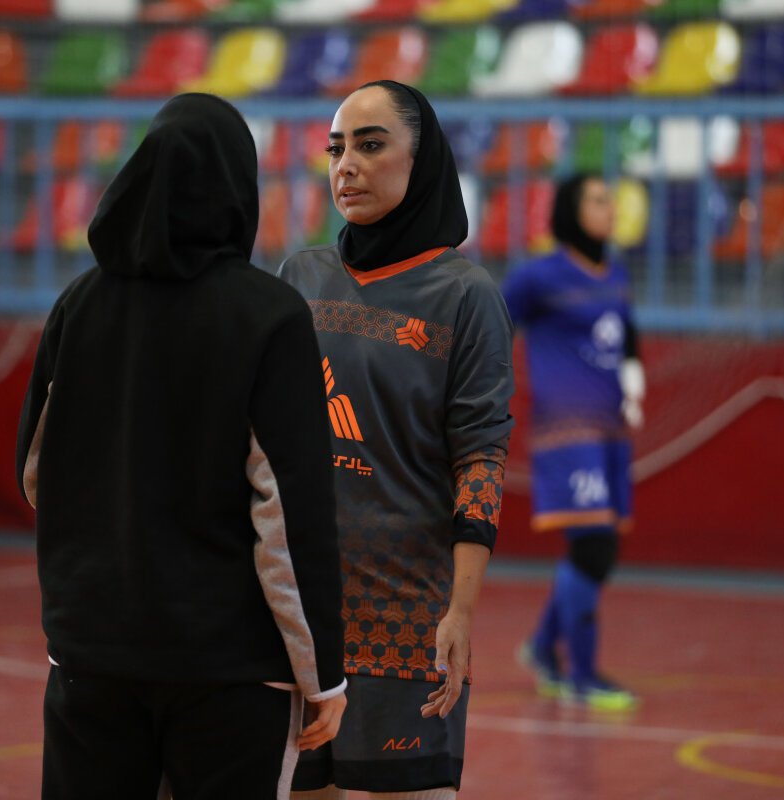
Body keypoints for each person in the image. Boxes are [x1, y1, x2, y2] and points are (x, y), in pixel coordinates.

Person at [15, 93, 347, 800]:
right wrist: (324, 675)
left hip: (91, 656)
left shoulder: (78, 303)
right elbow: (289, 516)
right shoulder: (269, 315)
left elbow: (36, 474)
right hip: (230, 675)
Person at [277, 81, 514, 799]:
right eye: (336, 149)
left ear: (422, 158)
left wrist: (461, 612)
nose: (347, 165)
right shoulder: (299, 277)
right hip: (293, 620)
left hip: (408, 623)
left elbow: (480, 458)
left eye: (371, 145)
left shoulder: (466, 296)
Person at [501, 172, 645, 712]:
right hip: (566, 431)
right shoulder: (539, 276)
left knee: (601, 548)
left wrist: (634, 383)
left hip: (609, 430)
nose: (610, 209)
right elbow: (492, 322)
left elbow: (627, 336)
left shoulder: (616, 275)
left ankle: (543, 648)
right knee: (593, 545)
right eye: (598, 200)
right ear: (570, 210)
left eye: (611, 200)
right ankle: (581, 674)